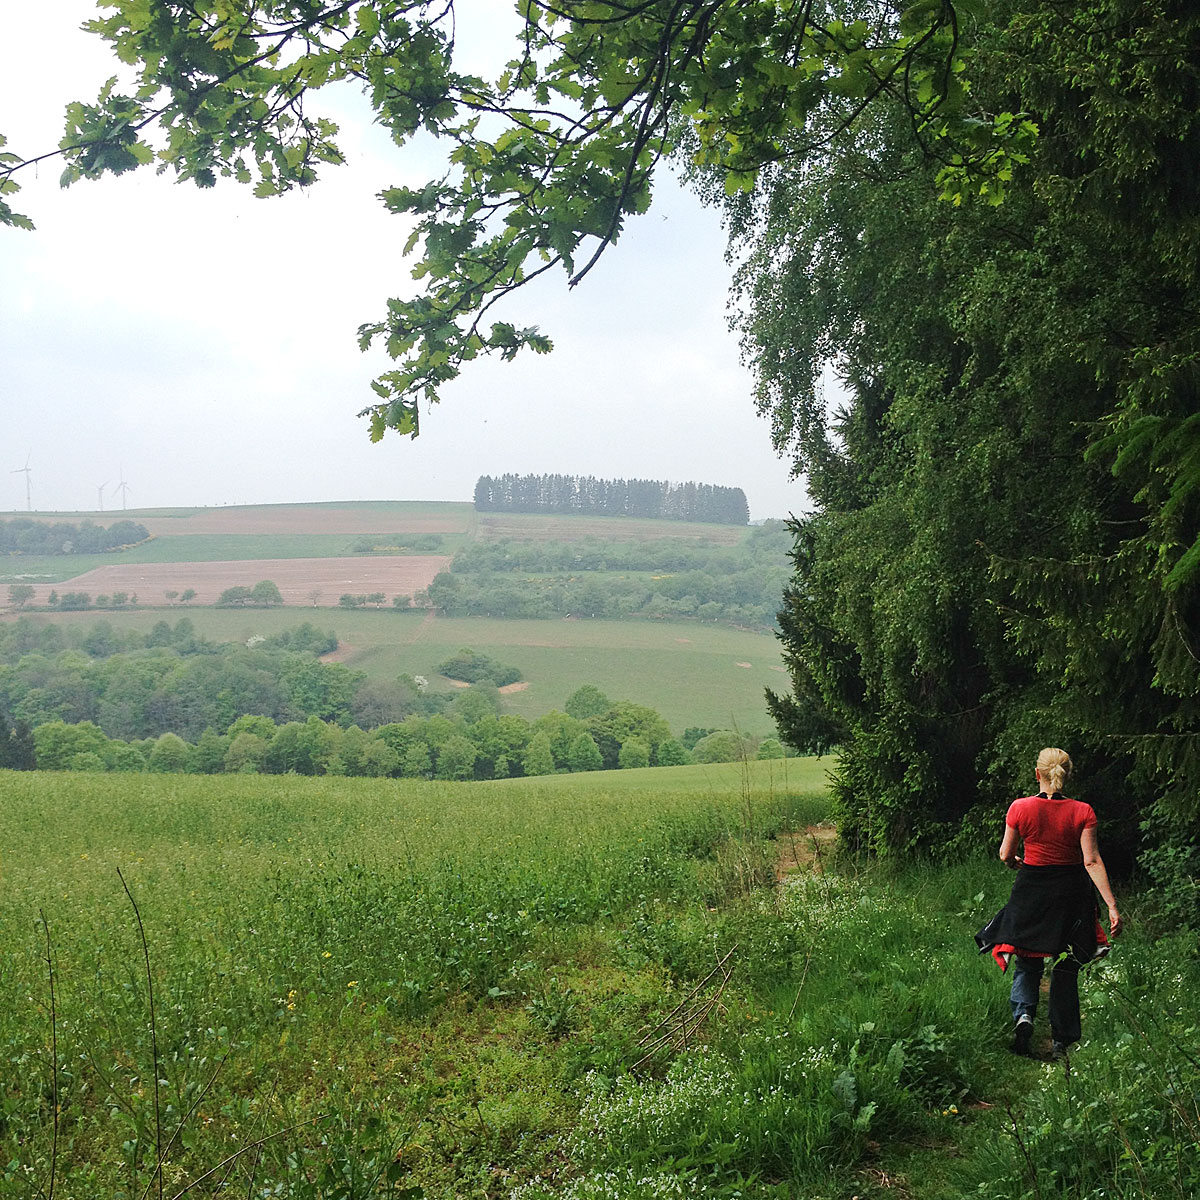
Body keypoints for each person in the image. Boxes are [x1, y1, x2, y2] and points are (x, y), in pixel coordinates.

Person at [975, 747, 1123, 1058]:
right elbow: (1092, 861)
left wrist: (1016, 861)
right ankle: (1062, 1042)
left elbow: (1005, 854)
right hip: (1071, 895)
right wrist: (1111, 905)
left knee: (1028, 960)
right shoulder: (1083, 812)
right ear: (1067, 775)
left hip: (1032, 891)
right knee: (1066, 967)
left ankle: (1024, 1016)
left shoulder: (1020, 808)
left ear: (1037, 774)